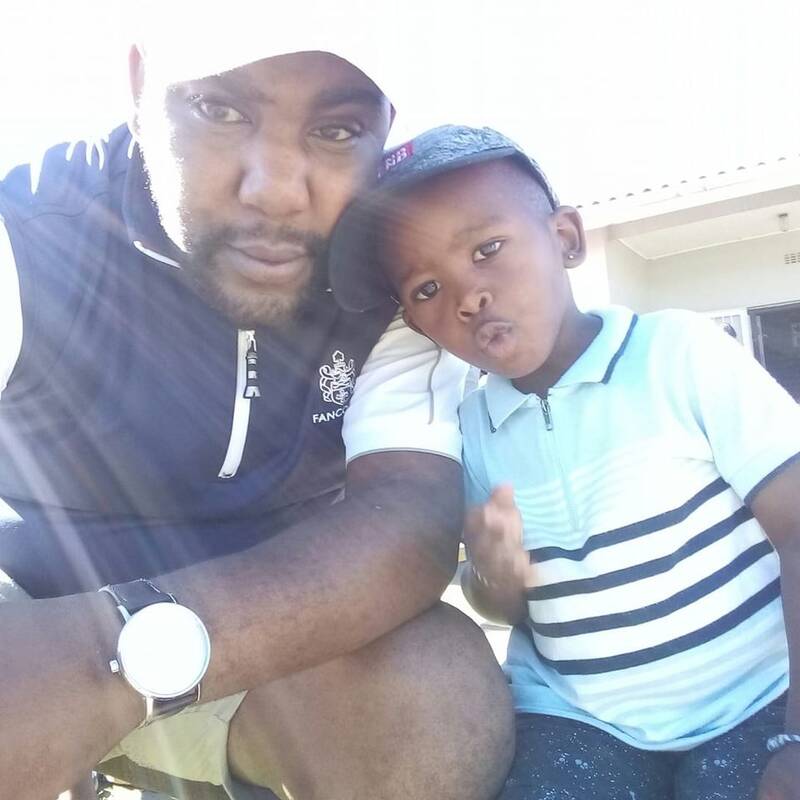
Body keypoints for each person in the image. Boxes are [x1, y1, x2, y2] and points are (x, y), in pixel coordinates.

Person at [0, 12, 515, 800]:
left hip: (252, 637)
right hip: (31, 625)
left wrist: (122, 658)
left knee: (432, 697)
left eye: (336, 131)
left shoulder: (389, 273)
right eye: (219, 109)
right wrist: (59, 659)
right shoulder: (27, 239)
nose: (275, 189)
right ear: (139, 87)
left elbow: (408, 519)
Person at [328, 124, 800, 799]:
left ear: (567, 239)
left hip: (754, 699)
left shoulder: (677, 354)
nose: (468, 296)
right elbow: (503, 607)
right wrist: (496, 576)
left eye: (487, 250)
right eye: (426, 289)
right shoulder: (469, 432)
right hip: (583, 719)